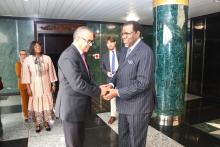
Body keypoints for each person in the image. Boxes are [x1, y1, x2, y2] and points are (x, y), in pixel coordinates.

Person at [103, 21, 155, 147]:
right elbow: (119, 72)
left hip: (138, 106)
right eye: (122, 33)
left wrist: (117, 92)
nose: (123, 36)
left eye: (127, 33)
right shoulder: (125, 50)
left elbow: (143, 83)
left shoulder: (145, 52)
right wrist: (111, 84)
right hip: (124, 104)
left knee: (136, 142)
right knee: (124, 139)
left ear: (137, 34)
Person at [55, 26, 108, 147]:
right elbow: (78, 84)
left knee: (79, 142)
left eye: (91, 42)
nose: (90, 44)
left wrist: (99, 87)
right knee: (73, 144)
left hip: (78, 108)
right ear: (78, 39)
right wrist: (99, 91)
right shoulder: (69, 56)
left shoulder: (79, 54)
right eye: (88, 41)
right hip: (71, 110)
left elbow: (87, 79)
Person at [22, 41, 57, 133]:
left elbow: (51, 72)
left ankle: (46, 123)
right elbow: (26, 75)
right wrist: (28, 88)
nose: (38, 47)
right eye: (36, 46)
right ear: (32, 47)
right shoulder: (28, 60)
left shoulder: (47, 58)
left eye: (39, 46)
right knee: (36, 104)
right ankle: (37, 124)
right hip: (34, 86)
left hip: (46, 84)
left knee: (46, 103)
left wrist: (53, 84)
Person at [101, 36, 119, 124]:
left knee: (123, 95)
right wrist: (106, 72)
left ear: (115, 43)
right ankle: (113, 115)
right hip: (110, 79)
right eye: (108, 43)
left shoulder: (121, 54)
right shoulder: (104, 56)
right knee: (112, 98)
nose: (110, 44)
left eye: (111, 42)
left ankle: (125, 113)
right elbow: (102, 67)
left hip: (122, 78)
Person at [15, 50, 29, 122]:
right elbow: (19, 75)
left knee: (31, 100)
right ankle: (26, 115)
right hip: (22, 85)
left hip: (30, 85)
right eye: (22, 54)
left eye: (25, 54)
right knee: (24, 101)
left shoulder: (29, 63)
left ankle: (31, 114)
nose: (23, 56)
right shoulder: (18, 64)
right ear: (19, 55)